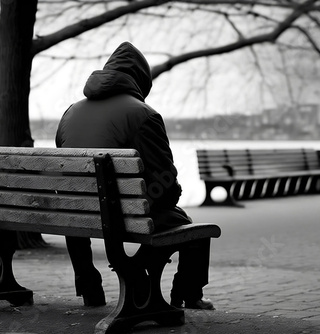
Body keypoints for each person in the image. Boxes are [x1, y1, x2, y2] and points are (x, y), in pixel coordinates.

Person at [55, 41, 214, 310]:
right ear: (141, 80)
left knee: (81, 205)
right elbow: (164, 177)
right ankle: (181, 293)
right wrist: (166, 196)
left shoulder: (70, 112)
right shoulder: (144, 114)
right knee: (189, 228)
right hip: (125, 214)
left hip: (77, 210)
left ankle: (90, 287)